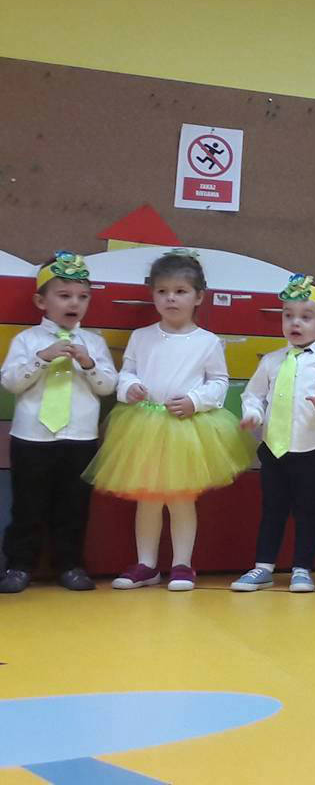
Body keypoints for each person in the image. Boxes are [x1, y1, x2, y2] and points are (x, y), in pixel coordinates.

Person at [86, 250, 253, 592]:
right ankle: (146, 565)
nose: (170, 298)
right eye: (162, 291)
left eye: (180, 291)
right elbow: (127, 372)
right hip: (143, 425)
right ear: (153, 295)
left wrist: (195, 401)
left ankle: (182, 565)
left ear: (199, 297)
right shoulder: (142, 336)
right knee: (147, 498)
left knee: (181, 499)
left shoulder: (207, 342)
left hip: (186, 429)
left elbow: (219, 383)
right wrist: (129, 387)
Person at [0, 252, 117, 592]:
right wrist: (41, 359)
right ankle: (19, 565)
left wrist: (89, 365)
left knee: (74, 506)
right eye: (64, 295)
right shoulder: (27, 341)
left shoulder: (94, 343)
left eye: (83, 297)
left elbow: (107, 386)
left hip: (79, 439)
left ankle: (70, 565)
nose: (74, 303)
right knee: (27, 506)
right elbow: (11, 383)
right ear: (41, 301)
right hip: (31, 439)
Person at [229, 275, 315, 594]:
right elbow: (253, 395)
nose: (295, 323)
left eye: (306, 317)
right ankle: (263, 566)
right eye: (288, 315)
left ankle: (302, 568)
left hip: (312, 450)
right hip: (273, 449)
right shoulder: (271, 361)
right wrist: (253, 414)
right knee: (272, 509)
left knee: (308, 511)